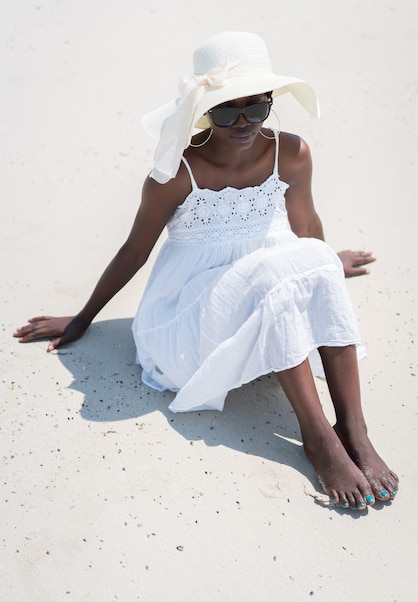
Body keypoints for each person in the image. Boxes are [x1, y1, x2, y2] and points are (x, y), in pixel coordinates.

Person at [14, 31, 398, 510]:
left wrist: (326, 263)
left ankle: (353, 429)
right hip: (191, 320)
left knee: (312, 259)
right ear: (202, 112)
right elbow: (134, 250)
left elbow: (307, 228)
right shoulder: (177, 171)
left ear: (271, 103)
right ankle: (318, 437)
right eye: (225, 111)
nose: (242, 123)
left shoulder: (292, 152)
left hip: (267, 283)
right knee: (275, 277)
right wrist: (82, 318)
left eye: (255, 109)